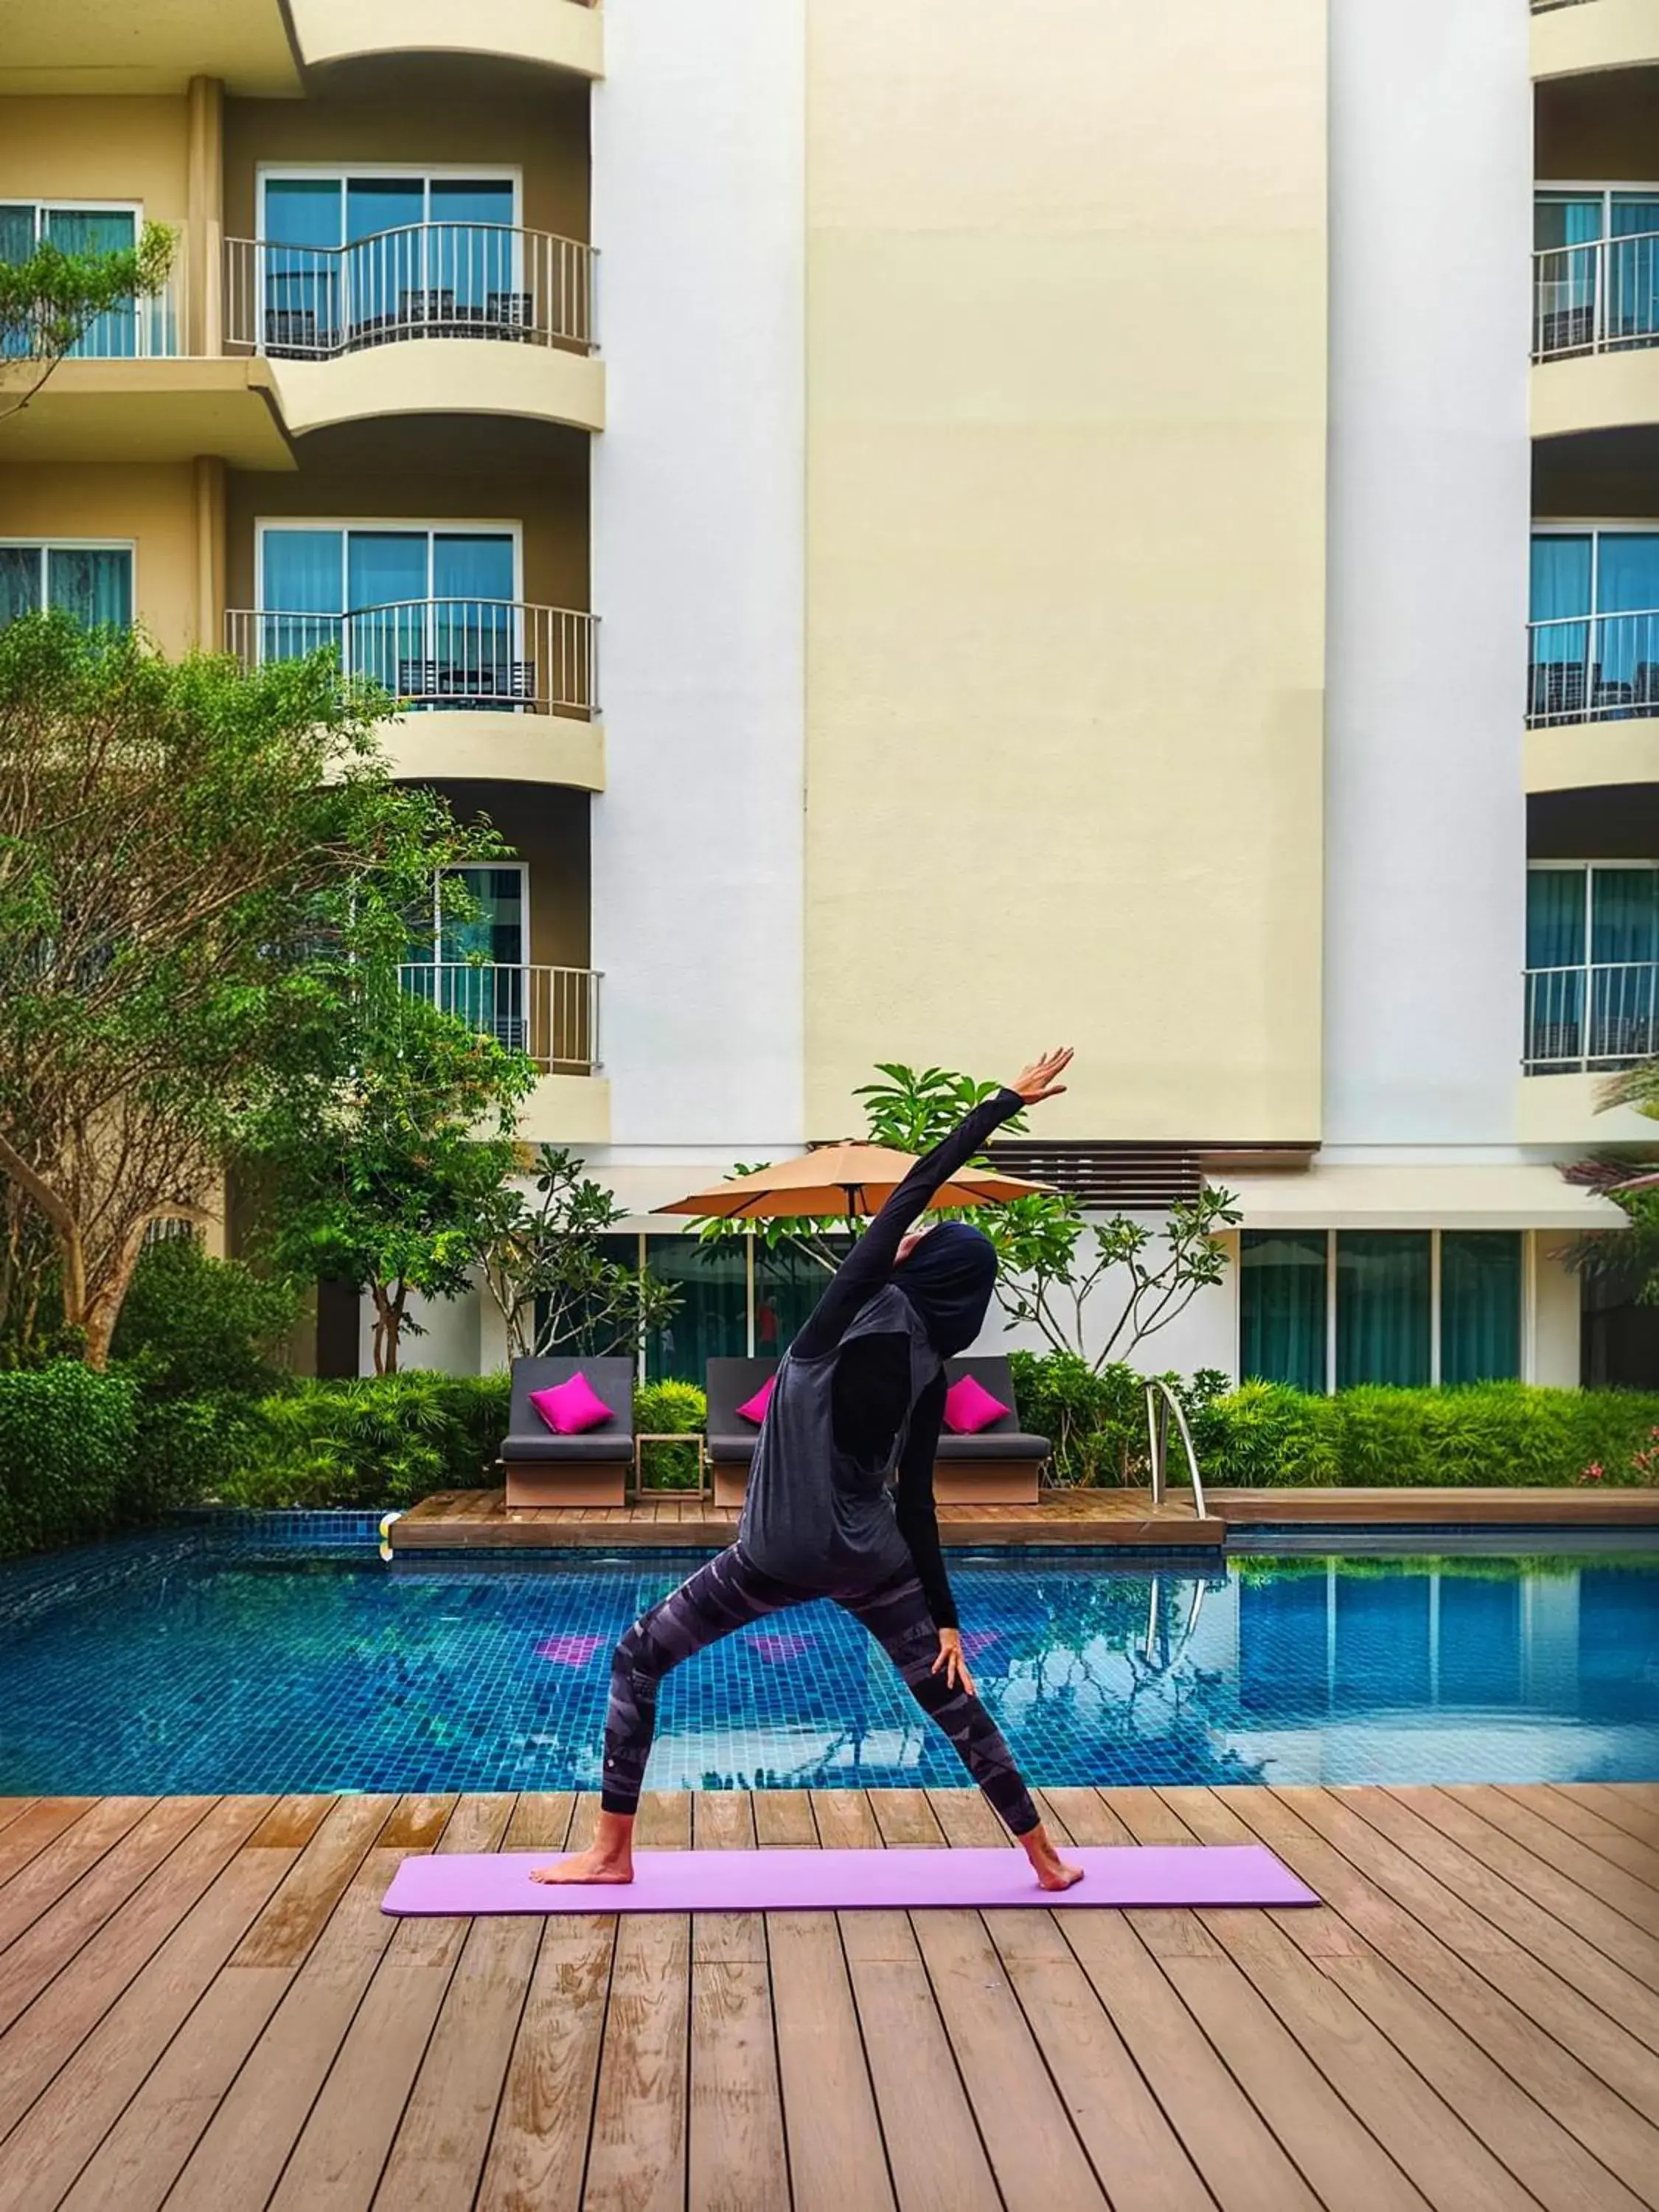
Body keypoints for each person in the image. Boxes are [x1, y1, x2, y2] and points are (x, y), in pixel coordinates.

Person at [535, 1047, 1082, 1891]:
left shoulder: (842, 1314)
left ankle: (611, 1854)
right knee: (948, 1699)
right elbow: (920, 1504)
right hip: (874, 1558)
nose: (909, 1237)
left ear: (923, 1261)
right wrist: (945, 1621)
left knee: (637, 1658)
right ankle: (1045, 1858)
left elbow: (914, 1188)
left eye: (924, 1238)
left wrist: (1001, 1103)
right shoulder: (933, 1364)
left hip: (778, 1552)